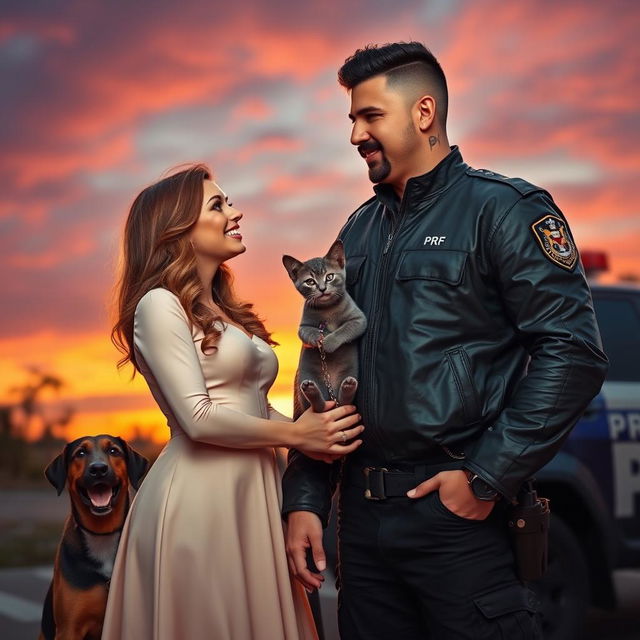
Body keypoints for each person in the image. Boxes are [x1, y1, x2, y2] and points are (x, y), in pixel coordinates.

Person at [283, 42, 609, 639]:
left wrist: (485, 477)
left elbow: (573, 351)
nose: (354, 133)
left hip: (458, 520)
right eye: (351, 119)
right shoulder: (356, 230)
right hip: (360, 523)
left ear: (424, 113)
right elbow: (320, 366)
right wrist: (304, 497)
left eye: (369, 116)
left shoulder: (505, 210)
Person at [102, 165, 364, 640]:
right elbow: (198, 418)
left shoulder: (224, 310)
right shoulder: (158, 304)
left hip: (254, 491)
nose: (235, 212)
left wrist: (317, 437)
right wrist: (297, 435)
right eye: (218, 205)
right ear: (177, 226)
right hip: (200, 499)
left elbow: (253, 406)